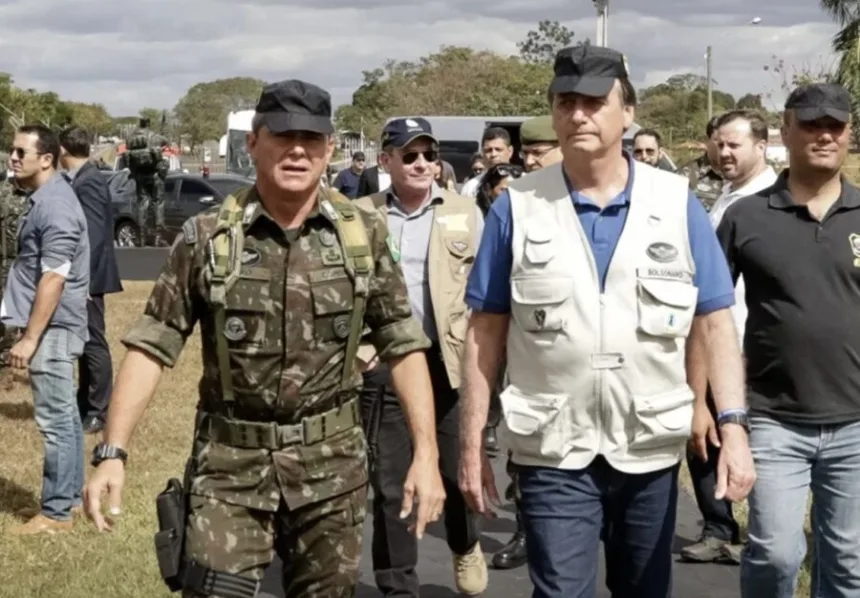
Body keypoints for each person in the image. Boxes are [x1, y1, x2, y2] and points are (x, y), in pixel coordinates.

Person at [83, 80, 446, 598]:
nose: (297, 149)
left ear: (329, 150)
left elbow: (403, 343)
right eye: (283, 135)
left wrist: (426, 456)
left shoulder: (362, 234)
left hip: (332, 471)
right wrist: (112, 452)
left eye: (311, 138)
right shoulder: (208, 236)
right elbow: (152, 345)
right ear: (254, 143)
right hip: (229, 471)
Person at [457, 45, 756, 598]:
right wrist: (472, 442)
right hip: (552, 449)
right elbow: (485, 332)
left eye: (594, 102)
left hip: (647, 449)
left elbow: (714, 321)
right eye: (565, 102)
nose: (578, 115)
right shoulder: (517, 207)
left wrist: (732, 426)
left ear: (628, 112)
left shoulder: (675, 202)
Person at [716, 83, 860, 598]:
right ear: (785, 131)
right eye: (812, 124)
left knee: (848, 562)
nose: (824, 135)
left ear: (848, 134)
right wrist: (707, 408)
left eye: (835, 126)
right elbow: (706, 315)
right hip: (774, 417)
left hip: (855, 423)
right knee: (776, 554)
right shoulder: (746, 216)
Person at [354, 117, 488, 597]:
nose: (421, 164)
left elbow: (486, 293)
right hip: (385, 363)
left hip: (447, 365)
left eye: (429, 155)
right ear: (385, 160)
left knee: (453, 473)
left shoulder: (465, 212)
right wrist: (360, 354)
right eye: (408, 155)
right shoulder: (359, 215)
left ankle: (464, 543)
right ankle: (397, 586)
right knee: (392, 486)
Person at [682, 109, 777, 565]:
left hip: (754, 351)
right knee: (703, 436)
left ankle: (763, 536)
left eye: (734, 145)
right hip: (713, 343)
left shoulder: (772, 203)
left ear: (762, 146)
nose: (724, 153)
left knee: (758, 446)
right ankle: (719, 527)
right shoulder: (723, 198)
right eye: (718, 144)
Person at [3, 125, 90, 535]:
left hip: (53, 328)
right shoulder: (46, 199)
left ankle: (55, 514)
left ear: (47, 159)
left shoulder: (54, 205)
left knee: (55, 422)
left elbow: (54, 277)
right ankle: (70, 500)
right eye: (12, 150)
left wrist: (30, 338)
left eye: (22, 151)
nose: (13, 157)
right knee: (67, 419)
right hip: (52, 326)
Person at [59, 126, 124, 435]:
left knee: (94, 341)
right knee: (85, 341)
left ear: (62, 151)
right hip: (85, 275)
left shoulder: (91, 181)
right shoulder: (81, 179)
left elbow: (95, 234)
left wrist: (83, 280)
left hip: (90, 277)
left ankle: (99, 409)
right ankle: (85, 402)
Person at [127, 122, 168, 246]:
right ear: (149, 124)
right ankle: (157, 237)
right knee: (158, 204)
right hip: (154, 175)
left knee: (142, 205)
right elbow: (166, 141)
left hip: (140, 176)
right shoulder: (155, 136)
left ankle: (142, 238)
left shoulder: (131, 138)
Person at [676, 116, 724, 210]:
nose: (724, 147)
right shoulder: (685, 176)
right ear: (707, 140)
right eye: (718, 141)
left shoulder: (743, 175)